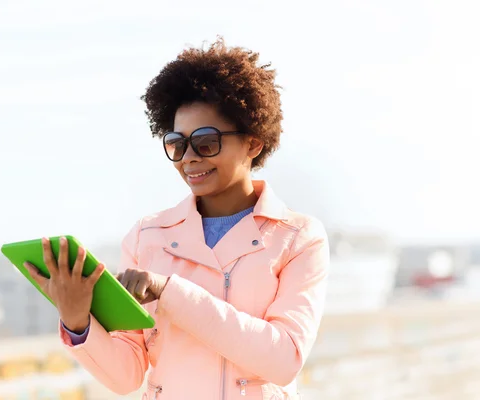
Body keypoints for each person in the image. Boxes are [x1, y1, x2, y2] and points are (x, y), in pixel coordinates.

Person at [24, 37, 329, 400]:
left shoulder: (298, 238)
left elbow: (283, 359)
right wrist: (77, 321)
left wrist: (168, 291)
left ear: (253, 142)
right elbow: (126, 375)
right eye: (177, 143)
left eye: (205, 141)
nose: (189, 158)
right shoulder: (146, 236)